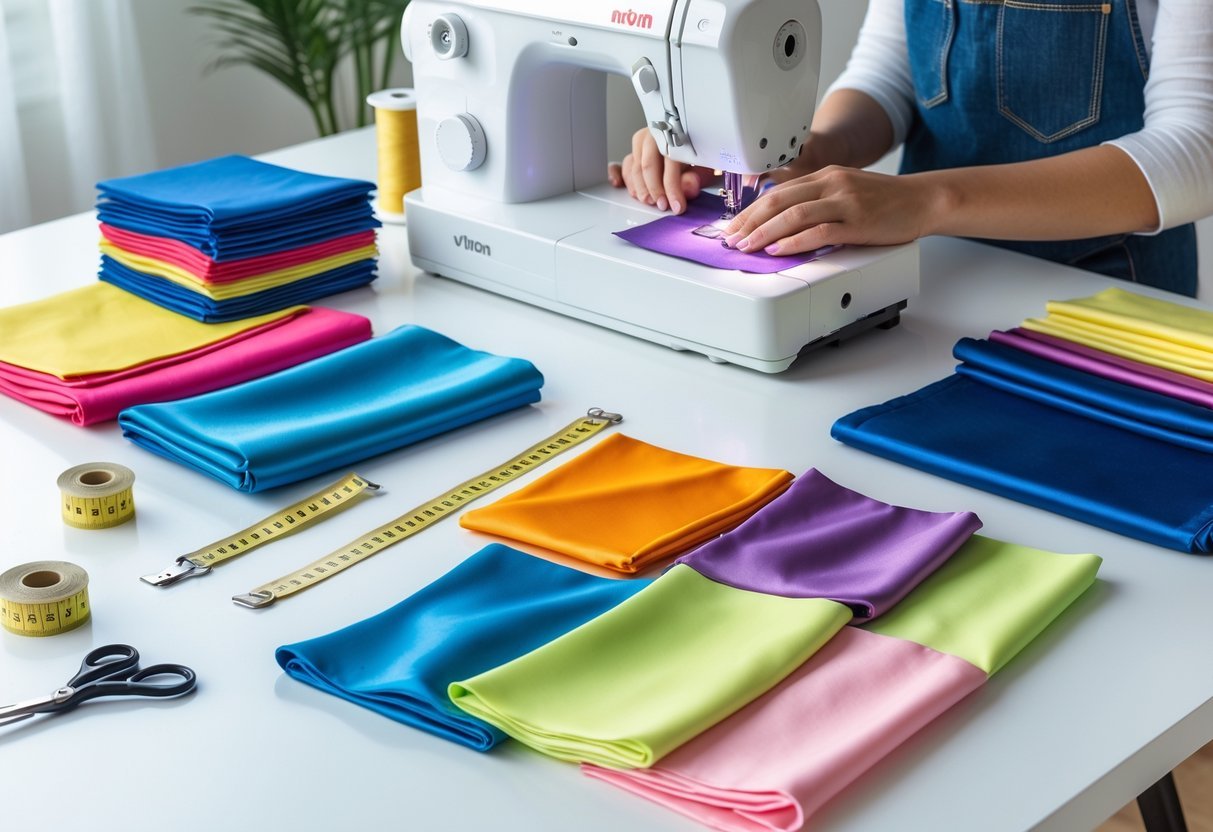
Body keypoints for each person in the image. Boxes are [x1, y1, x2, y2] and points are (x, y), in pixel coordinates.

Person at [608, 0, 1213, 297]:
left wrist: (926, 199)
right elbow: (889, 79)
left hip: (1103, 294)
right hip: (937, 278)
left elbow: (1196, 150)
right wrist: (798, 151)